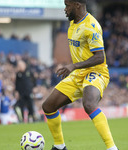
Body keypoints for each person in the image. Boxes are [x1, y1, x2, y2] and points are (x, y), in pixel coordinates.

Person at [42, 0, 119, 150]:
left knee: (89, 104)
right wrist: (74, 67)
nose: (65, 9)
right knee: (48, 106)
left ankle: (112, 148)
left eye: (67, 5)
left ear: (77, 5)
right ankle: (60, 146)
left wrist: (73, 66)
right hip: (78, 73)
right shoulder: (73, 23)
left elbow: (100, 57)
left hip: (96, 72)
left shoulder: (91, 26)